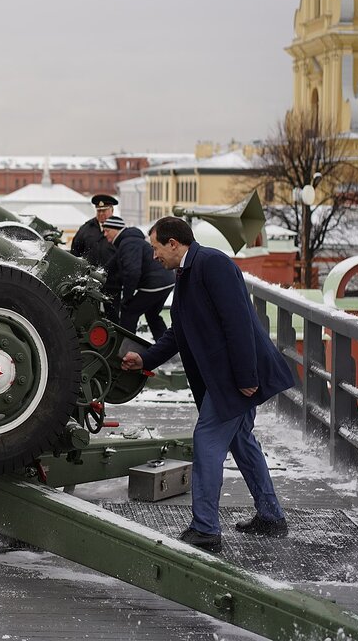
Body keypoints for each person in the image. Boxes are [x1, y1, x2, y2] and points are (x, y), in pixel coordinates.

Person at [120, 216, 294, 553]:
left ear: (174, 244)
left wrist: (246, 379)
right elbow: (179, 329)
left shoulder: (213, 264)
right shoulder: (185, 271)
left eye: (156, 249)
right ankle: (271, 516)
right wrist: (146, 359)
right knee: (241, 441)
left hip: (235, 377)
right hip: (227, 376)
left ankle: (205, 529)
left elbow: (239, 323)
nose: (154, 256)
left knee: (207, 440)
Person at [101, 216, 173, 340]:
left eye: (107, 230)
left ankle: (125, 348)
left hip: (154, 283)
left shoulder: (128, 243)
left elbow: (132, 272)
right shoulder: (129, 241)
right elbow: (111, 265)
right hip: (166, 280)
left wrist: (127, 297)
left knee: (129, 312)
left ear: (117, 230)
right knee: (152, 314)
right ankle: (166, 347)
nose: (105, 234)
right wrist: (100, 272)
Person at [72, 194, 120, 315]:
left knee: (113, 315)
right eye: (99, 211)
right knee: (90, 314)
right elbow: (75, 252)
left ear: (112, 210)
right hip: (91, 280)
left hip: (112, 281)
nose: (101, 214)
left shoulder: (119, 228)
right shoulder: (86, 229)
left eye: (104, 210)